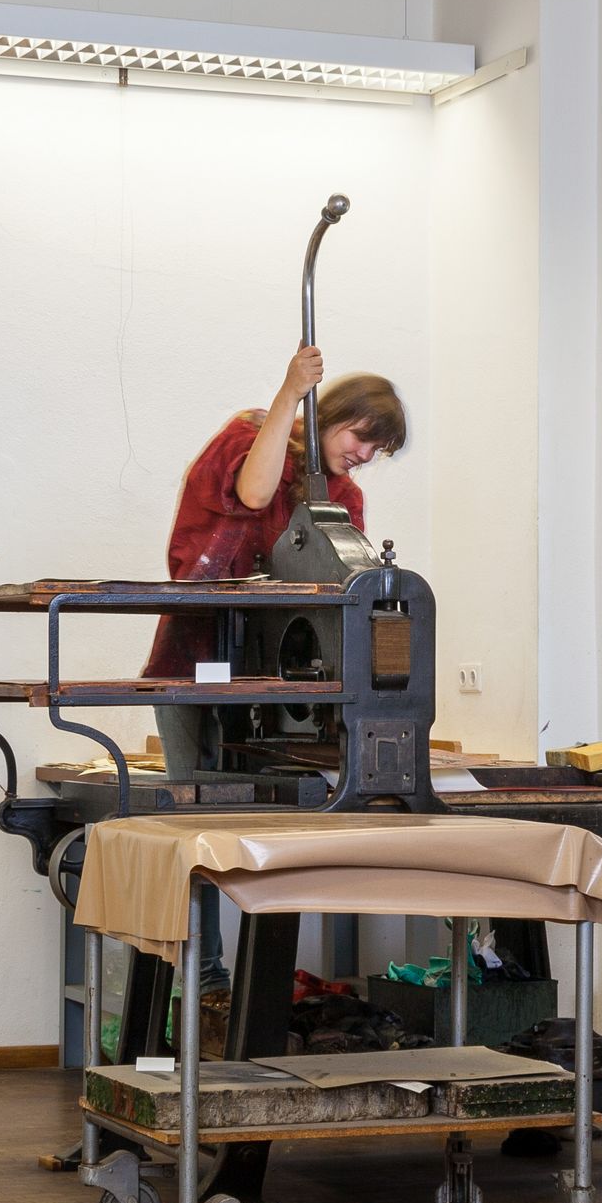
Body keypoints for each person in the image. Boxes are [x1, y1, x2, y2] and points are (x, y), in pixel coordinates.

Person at [142, 347, 408, 991]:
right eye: (361, 436)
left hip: (285, 687)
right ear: (330, 414)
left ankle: (257, 989)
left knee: (275, 825)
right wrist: (291, 392)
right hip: (198, 659)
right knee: (198, 823)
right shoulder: (245, 439)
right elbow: (253, 491)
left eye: (380, 448)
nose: (367, 454)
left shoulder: (341, 498)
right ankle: (203, 982)